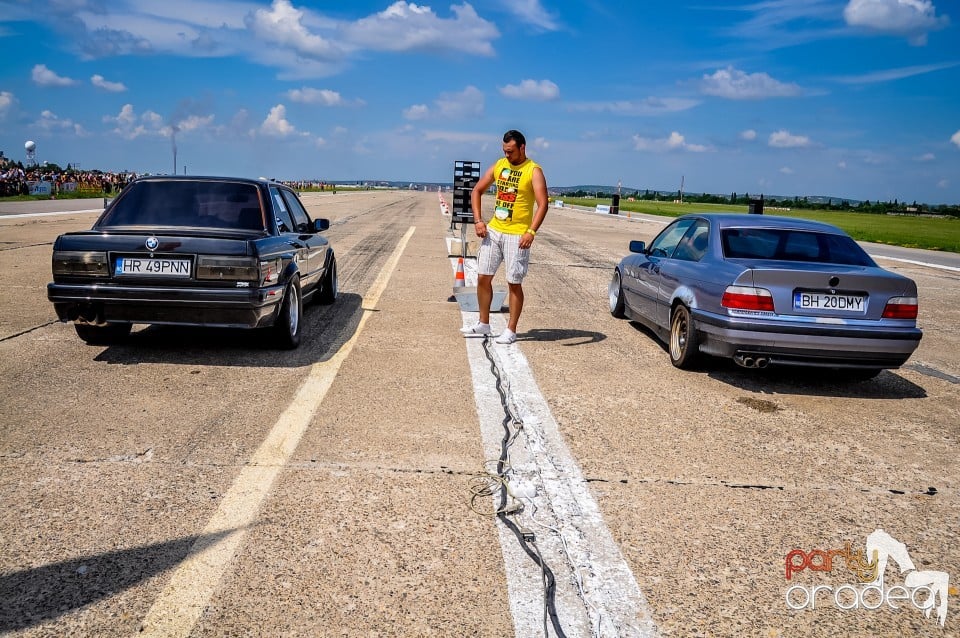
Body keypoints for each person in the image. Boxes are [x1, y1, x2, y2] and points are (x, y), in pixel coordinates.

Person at [460, 129, 548, 344]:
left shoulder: (533, 170)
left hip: (517, 235)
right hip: (495, 230)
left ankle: (511, 329)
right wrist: (479, 220)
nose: (507, 155)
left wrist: (531, 231)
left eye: (510, 151)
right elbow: (476, 191)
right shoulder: (500, 165)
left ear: (522, 148)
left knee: (513, 282)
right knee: (483, 276)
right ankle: (484, 322)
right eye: (504, 151)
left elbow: (543, 204)